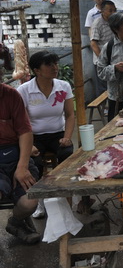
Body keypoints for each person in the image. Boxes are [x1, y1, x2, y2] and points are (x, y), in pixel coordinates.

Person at [17, 51, 74, 219]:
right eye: (49, 65)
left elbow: (70, 115)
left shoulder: (63, 86)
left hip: (58, 134)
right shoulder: (24, 90)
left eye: (55, 63)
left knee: (68, 156)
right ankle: (38, 202)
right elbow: (21, 121)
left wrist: (67, 137)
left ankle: (67, 200)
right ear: (37, 70)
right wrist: (30, 145)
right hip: (33, 136)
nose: (55, 67)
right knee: (34, 163)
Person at [0, 82, 41, 244]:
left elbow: (25, 131)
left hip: (15, 155)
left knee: (31, 200)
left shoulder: (11, 95)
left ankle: (16, 222)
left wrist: (22, 167)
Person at [90, 0, 117, 97]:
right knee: (103, 88)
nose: (113, 13)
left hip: (113, 59)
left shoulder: (114, 22)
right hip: (102, 61)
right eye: (110, 10)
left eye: (115, 10)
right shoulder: (98, 23)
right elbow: (93, 44)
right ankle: (104, 109)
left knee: (113, 85)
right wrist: (103, 59)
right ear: (102, 11)